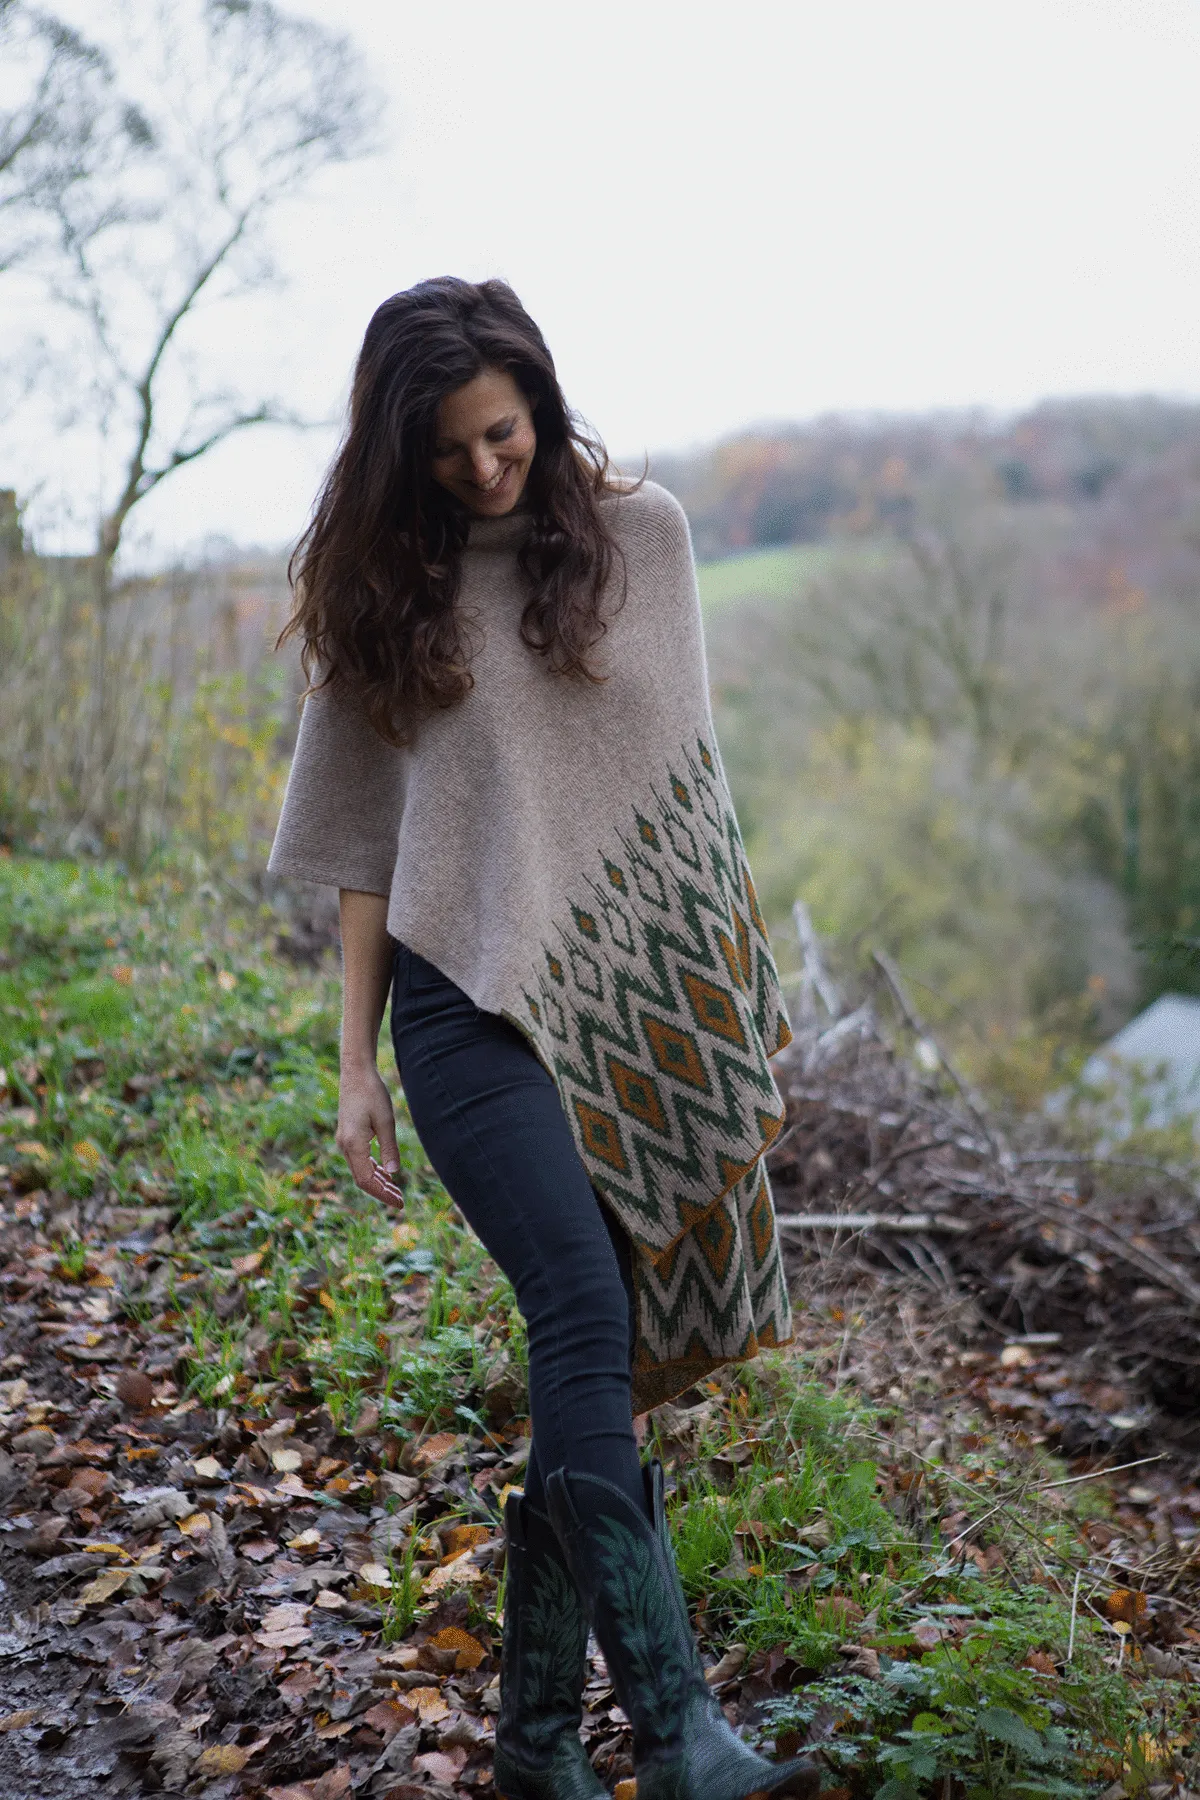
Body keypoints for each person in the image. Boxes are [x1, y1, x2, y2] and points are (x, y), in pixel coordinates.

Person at [270, 278, 817, 1800]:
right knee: (580, 1306)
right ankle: (681, 1732)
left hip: (624, 999)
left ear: (540, 402)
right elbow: (374, 854)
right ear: (401, 454)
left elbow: (680, 796)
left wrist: (698, 1004)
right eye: (448, 453)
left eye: (502, 434)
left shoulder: (644, 538)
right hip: (462, 1010)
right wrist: (355, 1065)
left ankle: (529, 1747)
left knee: (601, 1350)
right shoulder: (386, 590)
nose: (486, 471)